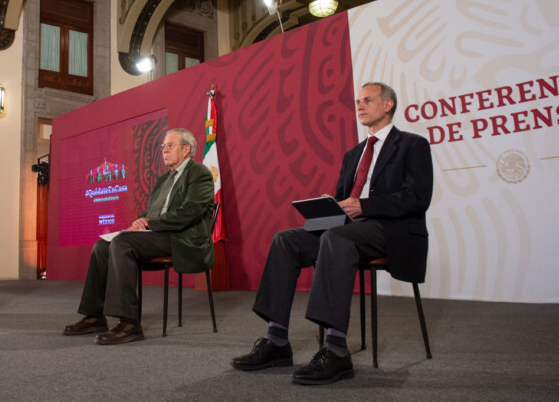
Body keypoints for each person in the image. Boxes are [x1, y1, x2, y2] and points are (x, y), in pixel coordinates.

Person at [232, 82, 433, 385]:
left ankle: (336, 349)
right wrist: (333, 206)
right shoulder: (353, 154)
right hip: (348, 228)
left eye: (367, 99)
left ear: (388, 104)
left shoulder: (412, 144)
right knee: (286, 239)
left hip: (391, 230)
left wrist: (362, 205)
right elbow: (344, 200)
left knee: (335, 239)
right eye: (358, 101)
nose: (360, 105)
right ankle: (276, 342)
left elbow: (418, 198)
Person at [63, 128, 215, 344]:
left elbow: (189, 213)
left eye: (170, 145)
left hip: (183, 238)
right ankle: (95, 316)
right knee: (102, 246)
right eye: (163, 146)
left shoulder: (199, 173)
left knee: (123, 243)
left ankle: (129, 323)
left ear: (186, 149)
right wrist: (140, 221)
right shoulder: (164, 179)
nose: (164, 150)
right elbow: (151, 211)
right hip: (159, 234)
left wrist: (150, 223)